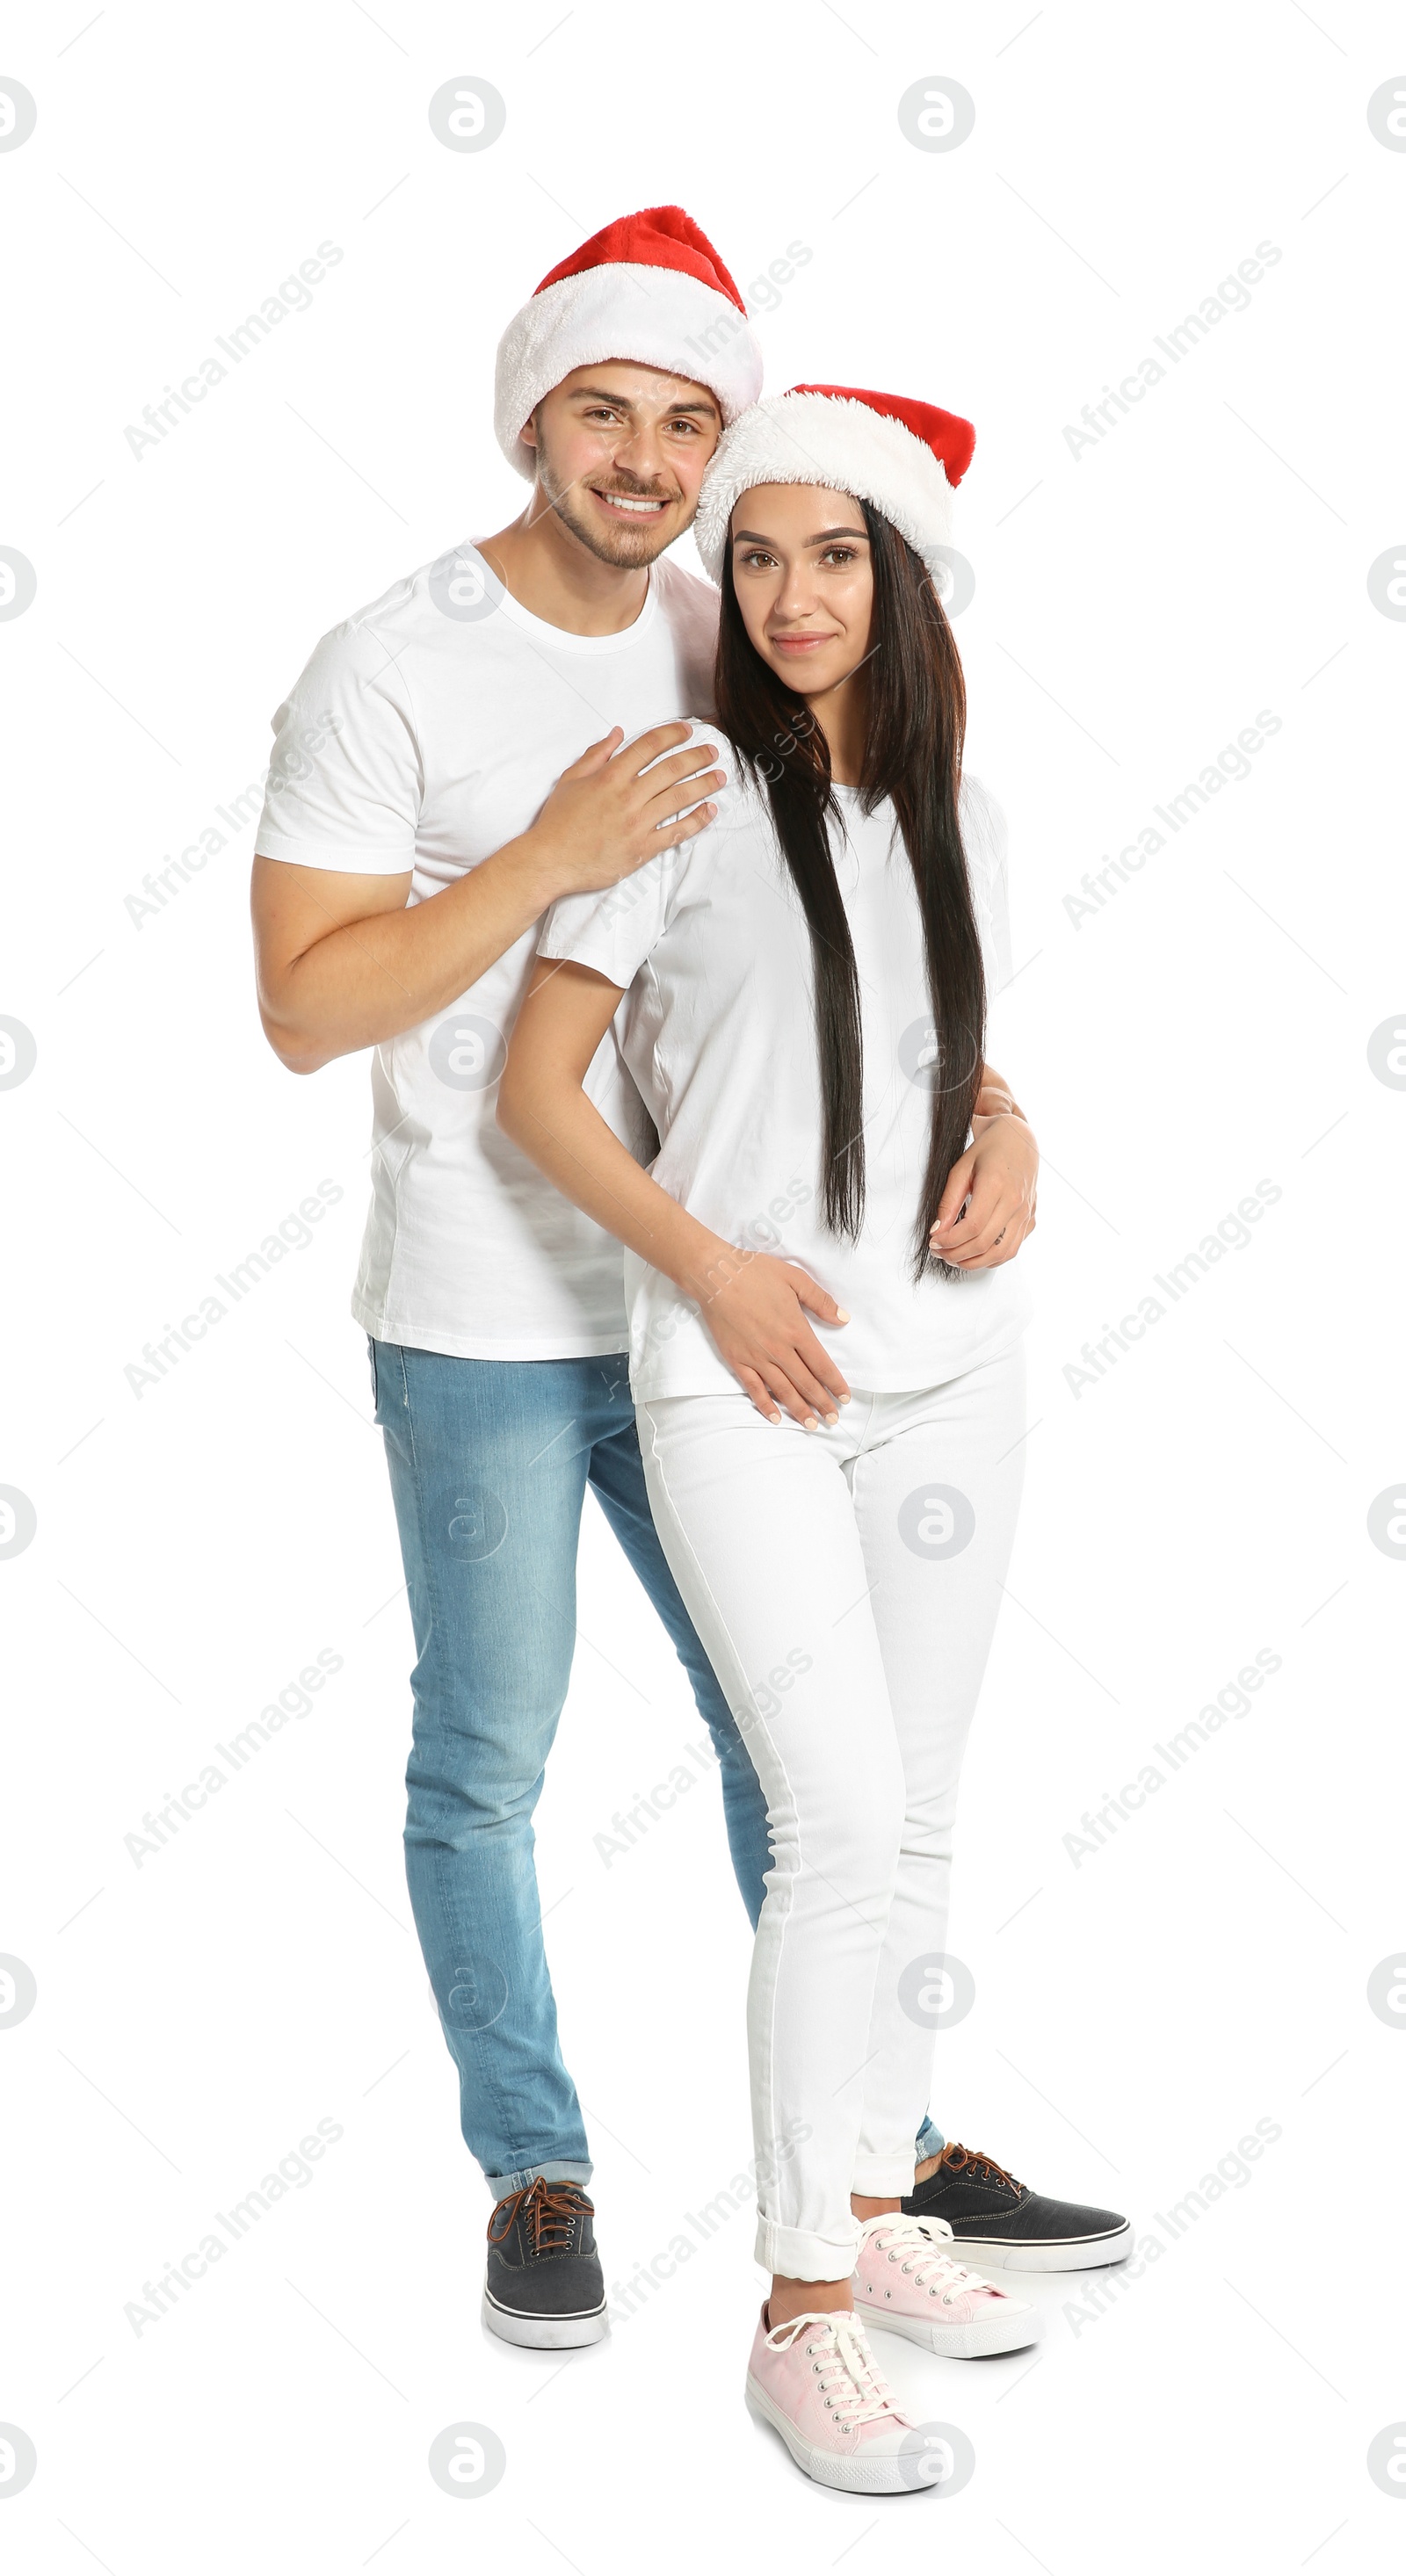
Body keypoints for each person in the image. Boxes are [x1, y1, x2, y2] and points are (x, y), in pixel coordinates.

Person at [498, 384, 1122, 2488]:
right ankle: (799, 2308)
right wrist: (720, 1270)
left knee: (918, 1820)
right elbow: (543, 1094)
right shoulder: (673, 795)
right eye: (750, 555)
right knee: (833, 1821)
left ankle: (873, 2191)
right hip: (739, 1375)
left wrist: (1012, 1133)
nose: (785, 594)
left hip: (954, 1365)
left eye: (830, 553)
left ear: (902, 576)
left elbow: (934, 1055)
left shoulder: (971, 814)